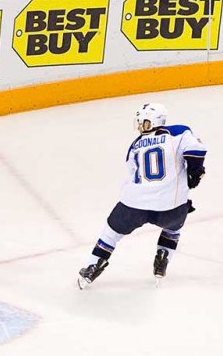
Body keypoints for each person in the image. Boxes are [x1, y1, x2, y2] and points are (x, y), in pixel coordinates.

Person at [78, 103, 208, 289]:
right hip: (171, 207)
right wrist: (195, 173)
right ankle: (162, 261)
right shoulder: (178, 132)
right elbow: (197, 151)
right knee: (173, 229)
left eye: (143, 121)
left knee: (111, 233)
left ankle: (93, 266)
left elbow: (133, 175)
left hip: (134, 205)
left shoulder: (135, 146)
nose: (140, 125)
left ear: (151, 121)